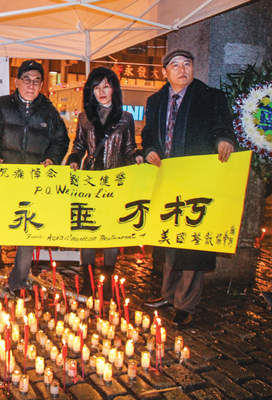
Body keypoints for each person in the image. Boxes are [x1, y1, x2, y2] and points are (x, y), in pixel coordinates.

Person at [141, 49, 235, 327]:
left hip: (198, 179)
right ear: (164, 72)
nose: (182, 69)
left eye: (187, 64)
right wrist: (149, 150)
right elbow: (148, 133)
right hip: (168, 179)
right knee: (169, 239)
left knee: (194, 241)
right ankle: (168, 295)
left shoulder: (210, 96)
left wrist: (223, 140)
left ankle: (186, 303)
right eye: (175, 65)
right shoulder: (155, 100)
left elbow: (223, 126)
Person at [0, 60, 70, 305]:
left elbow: (60, 140)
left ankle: (18, 283)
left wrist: (51, 158)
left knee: (27, 234)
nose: (31, 84)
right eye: (27, 79)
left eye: (37, 81)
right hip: (1, 182)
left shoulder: (49, 112)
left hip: (31, 185)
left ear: (42, 85)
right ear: (16, 82)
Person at [67, 67, 143, 299]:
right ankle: (88, 281)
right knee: (89, 230)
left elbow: (129, 146)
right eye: (97, 87)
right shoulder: (84, 117)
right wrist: (73, 160)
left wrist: (137, 155)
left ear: (114, 89)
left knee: (112, 232)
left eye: (106, 86)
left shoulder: (125, 118)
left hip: (114, 182)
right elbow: (79, 146)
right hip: (90, 182)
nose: (102, 91)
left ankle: (108, 282)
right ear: (92, 91)